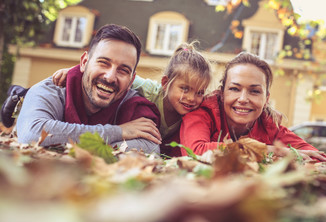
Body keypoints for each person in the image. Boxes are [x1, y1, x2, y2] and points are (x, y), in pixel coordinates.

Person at [15, 24, 162, 154]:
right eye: (103, 63)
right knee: (21, 103)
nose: (110, 77)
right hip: (28, 104)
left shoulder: (134, 104)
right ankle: (16, 96)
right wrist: (119, 132)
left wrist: (70, 144)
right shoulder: (52, 89)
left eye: (123, 70)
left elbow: (150, 148)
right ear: (84, 62)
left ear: (131, 80)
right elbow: (32, 133)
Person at [51, 42, 212, 157]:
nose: (191, 98)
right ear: (165, 83)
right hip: (119, 133)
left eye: (199, 92)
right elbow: (113, 77)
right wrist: (73, 72)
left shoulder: (197, 112)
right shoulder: (148, 90)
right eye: (185, 89)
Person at [180, 52, 326, 162]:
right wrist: (267, 150)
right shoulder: (203, 113)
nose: (243, 99)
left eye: (255, 91)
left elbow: (319, 158)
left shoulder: (269, 125)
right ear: (222, 93)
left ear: (266, 100)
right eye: (234, 89)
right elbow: (194, 152)